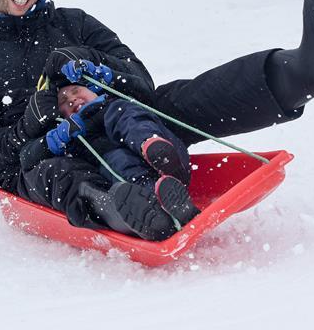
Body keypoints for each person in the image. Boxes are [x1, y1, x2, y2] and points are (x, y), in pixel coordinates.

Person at [0, 0, 314, 240]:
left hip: (113, 122)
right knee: (57, 174)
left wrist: (93, 63)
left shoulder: (73, 23)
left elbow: (139, 80)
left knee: (170, 103)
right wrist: (32, 123)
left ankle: (298, 75)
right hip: (43, 155)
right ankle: (134, 213)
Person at [18, 73, 199, 241]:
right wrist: (54, 140)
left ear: (93, 89)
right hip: (129, 176)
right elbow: (26, 158)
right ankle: (161, 206)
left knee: (124, 114)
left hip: (167, 155)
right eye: (64, 102)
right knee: (117, 159)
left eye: (76, 91)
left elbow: (139, 89)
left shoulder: (114, 103)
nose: (72, 99)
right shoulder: (73, 136)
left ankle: (154, 149)